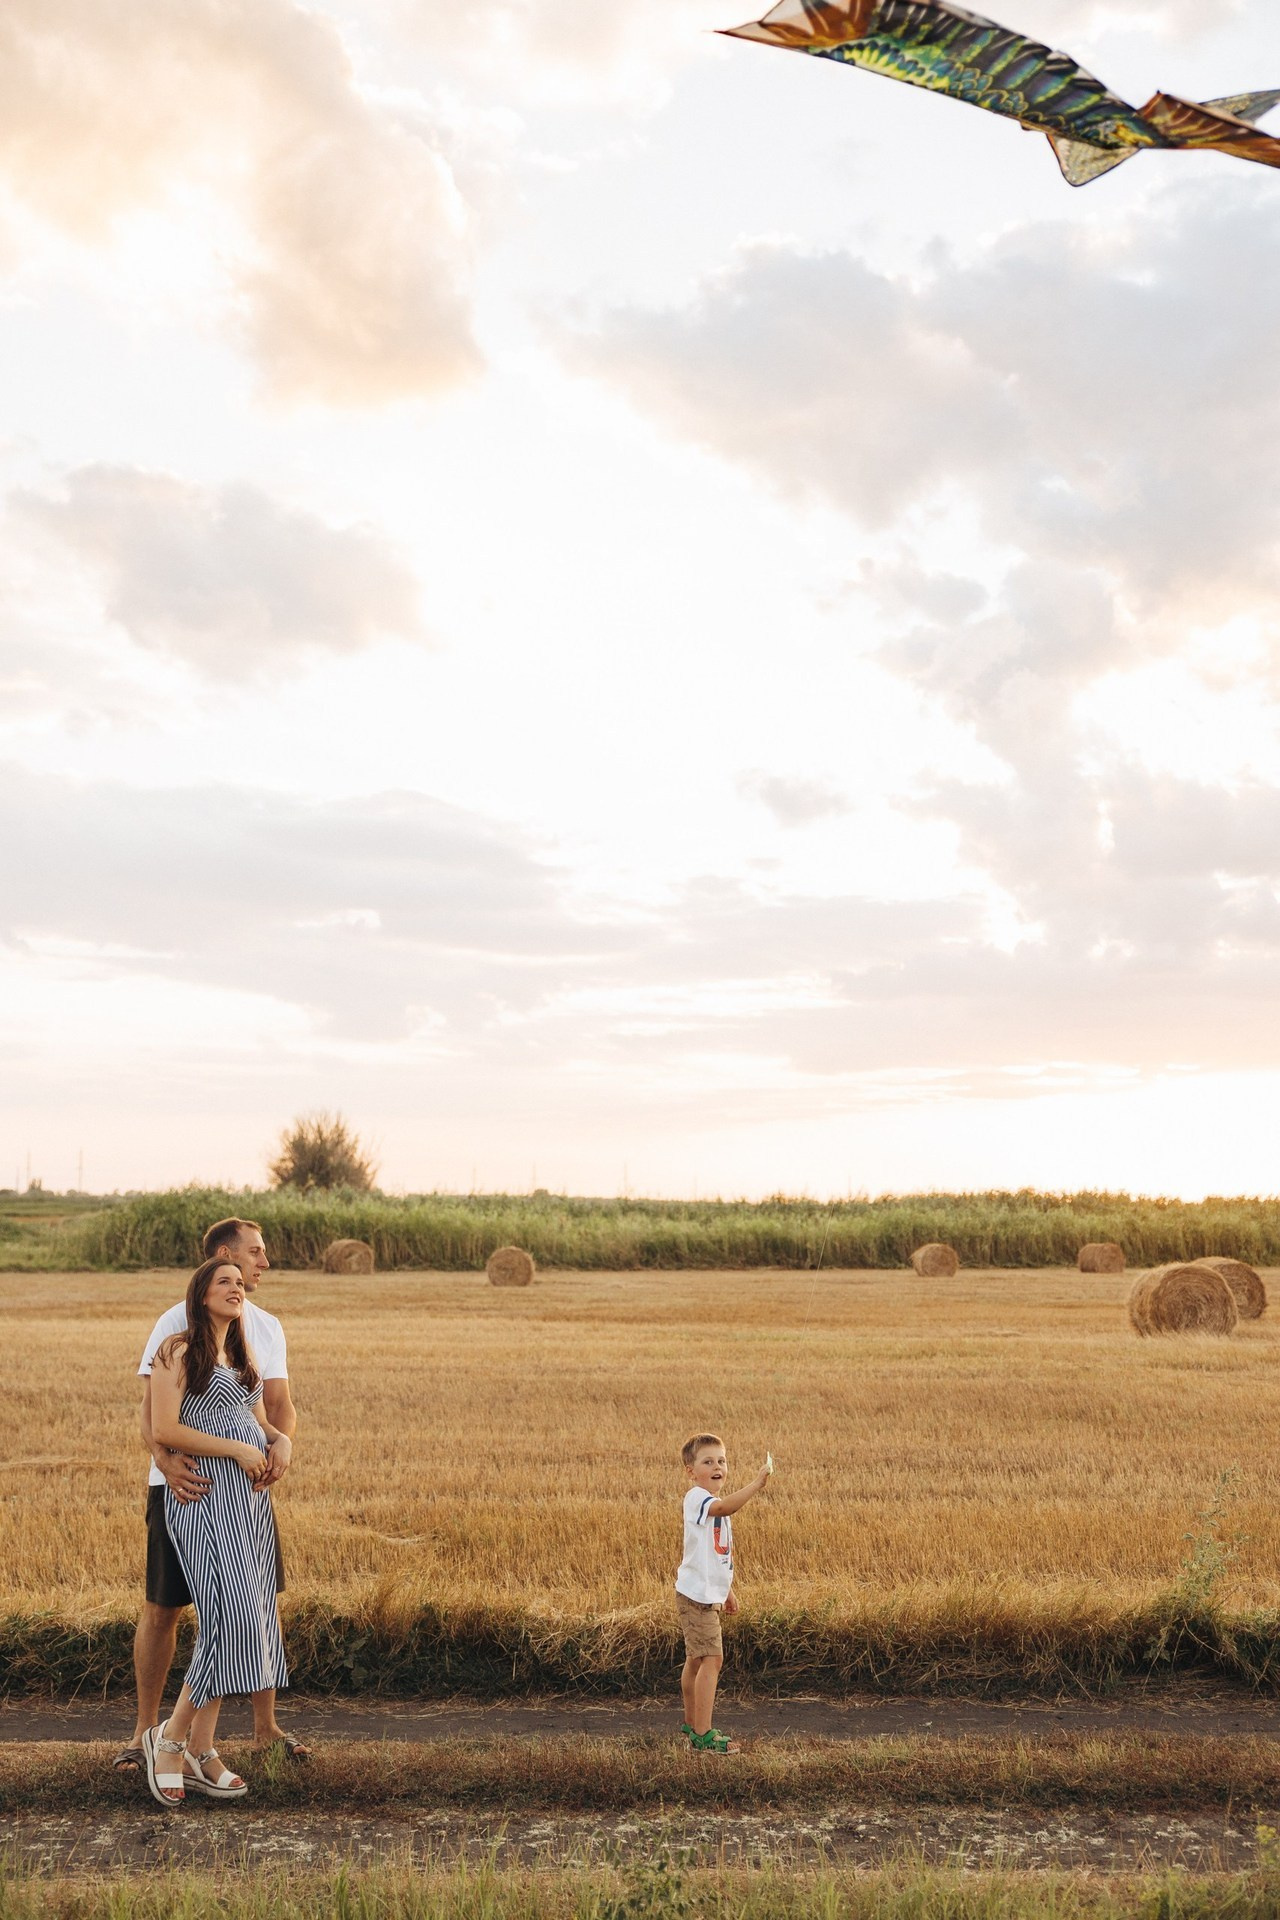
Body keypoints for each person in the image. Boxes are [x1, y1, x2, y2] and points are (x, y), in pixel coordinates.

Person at [112, 1217, 305, 1776]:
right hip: (188, 1488)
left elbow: (272, 1406)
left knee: (252, 1605)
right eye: (255, 1254)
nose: (262, 1264)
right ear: (223, 1257)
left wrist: (280, 1446)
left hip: (244, 1495)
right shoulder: (176, 1327)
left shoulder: (262, 1328)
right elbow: (153, 1414)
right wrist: (167, 1463)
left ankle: (255, 1729)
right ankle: (149, 1734)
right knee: (166, 1607)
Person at [141, 1256, 290, 1805]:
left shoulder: (239, 1353)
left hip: (246, 1502)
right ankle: (171, 1738)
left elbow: (255, 1419)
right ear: (200, 1293)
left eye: (239, 1282)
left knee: (248, 1619)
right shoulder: (176, 1348)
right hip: (200, 1497)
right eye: (222, 1281)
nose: (236, 1287)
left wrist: (280, 1440)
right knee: (226, 1618)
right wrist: (235, 1448)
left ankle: (201, 1749)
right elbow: (165, 1426)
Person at [674, 1433, 772, 1754]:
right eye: (708, 1461)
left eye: (722, 1460)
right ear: (691, 1471)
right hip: (697, 1598)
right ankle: (702, 1734)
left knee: (696, 1659)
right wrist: (757, 1483)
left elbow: (716, 1554)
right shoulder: (698, 1499)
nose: (718, 1466)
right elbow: (726, 1507)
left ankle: (691, 1724)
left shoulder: (710, 1503)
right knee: (712, 1660)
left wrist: (726, 1590)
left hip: (705, 1594)